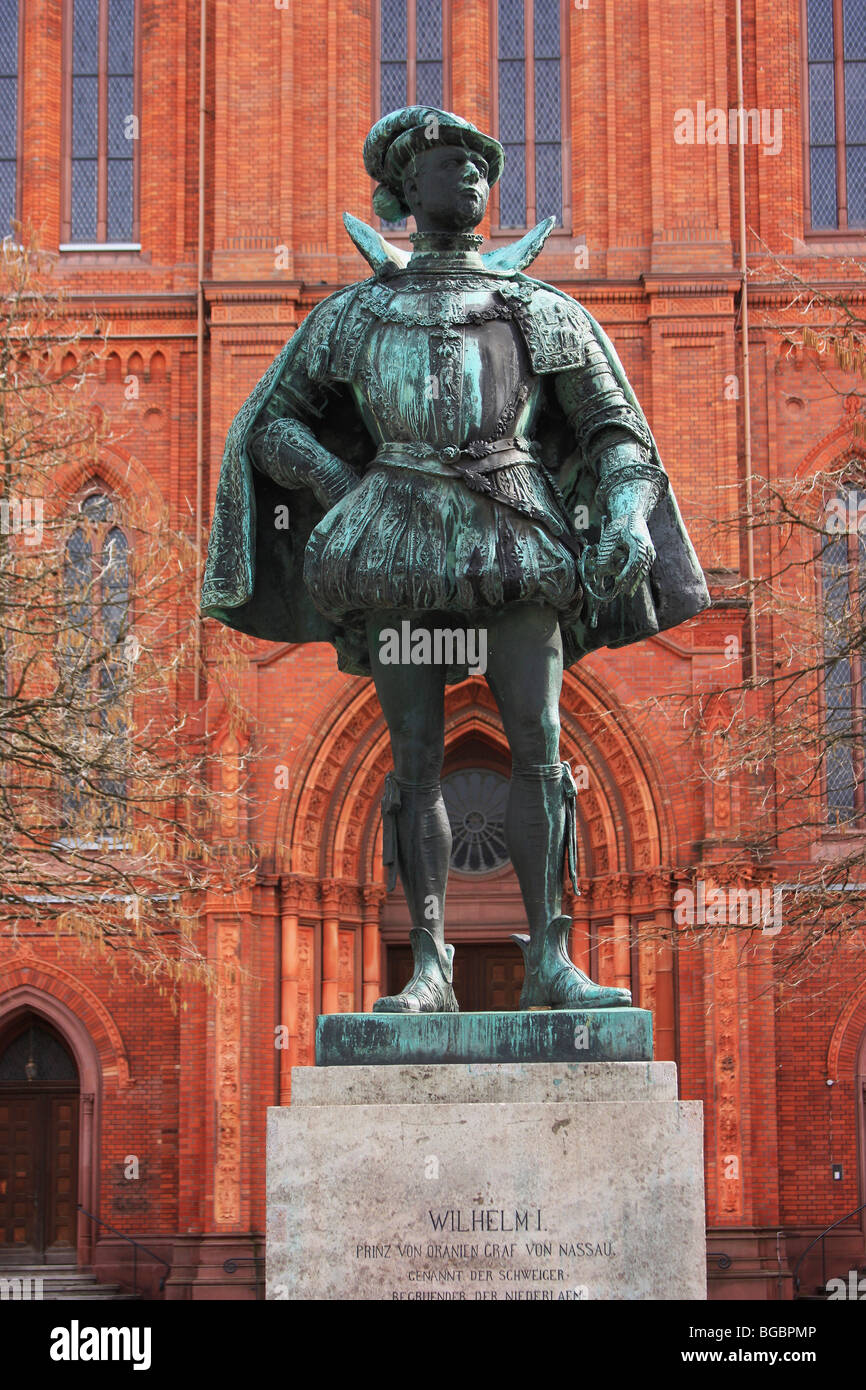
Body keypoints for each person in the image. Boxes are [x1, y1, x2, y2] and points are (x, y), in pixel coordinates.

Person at [202, 107, 710, 1014]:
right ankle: (430, 966)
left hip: (517, 537)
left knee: (540, 742)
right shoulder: (357, 313)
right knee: (416, 757)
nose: (470, 174)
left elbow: (615, 434)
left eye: (480, 162)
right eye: (447, 162)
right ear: (405, 191)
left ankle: (550, 960)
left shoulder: (538, 309)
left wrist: (629, 516)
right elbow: (274, 420)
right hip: (397, 543)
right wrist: (340, 485)